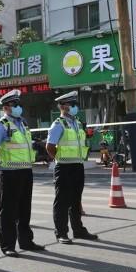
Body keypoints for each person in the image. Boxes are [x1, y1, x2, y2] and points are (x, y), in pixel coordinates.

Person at [0, 89, 45, 257]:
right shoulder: (0, 125)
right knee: (9, 211)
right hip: (9, 173)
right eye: (14, 104)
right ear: (6, 107)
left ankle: (26, 241)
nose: (18, 107)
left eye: (19, 104)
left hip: (25, 170)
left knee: (24, 209)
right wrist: (2, 162)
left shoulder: (23, 124)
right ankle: (8, 245)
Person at [46, 91, 98, 244]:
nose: (75, 107)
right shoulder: (58, 124)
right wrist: (59, 158)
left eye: (75, 104)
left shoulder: (77, 123)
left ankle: (78, 230)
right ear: (63, 106)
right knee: (62, 201)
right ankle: (61, 232)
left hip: (78, 165)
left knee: (76, 200)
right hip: (64, 167)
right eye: (72, 104)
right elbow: (50, 147)